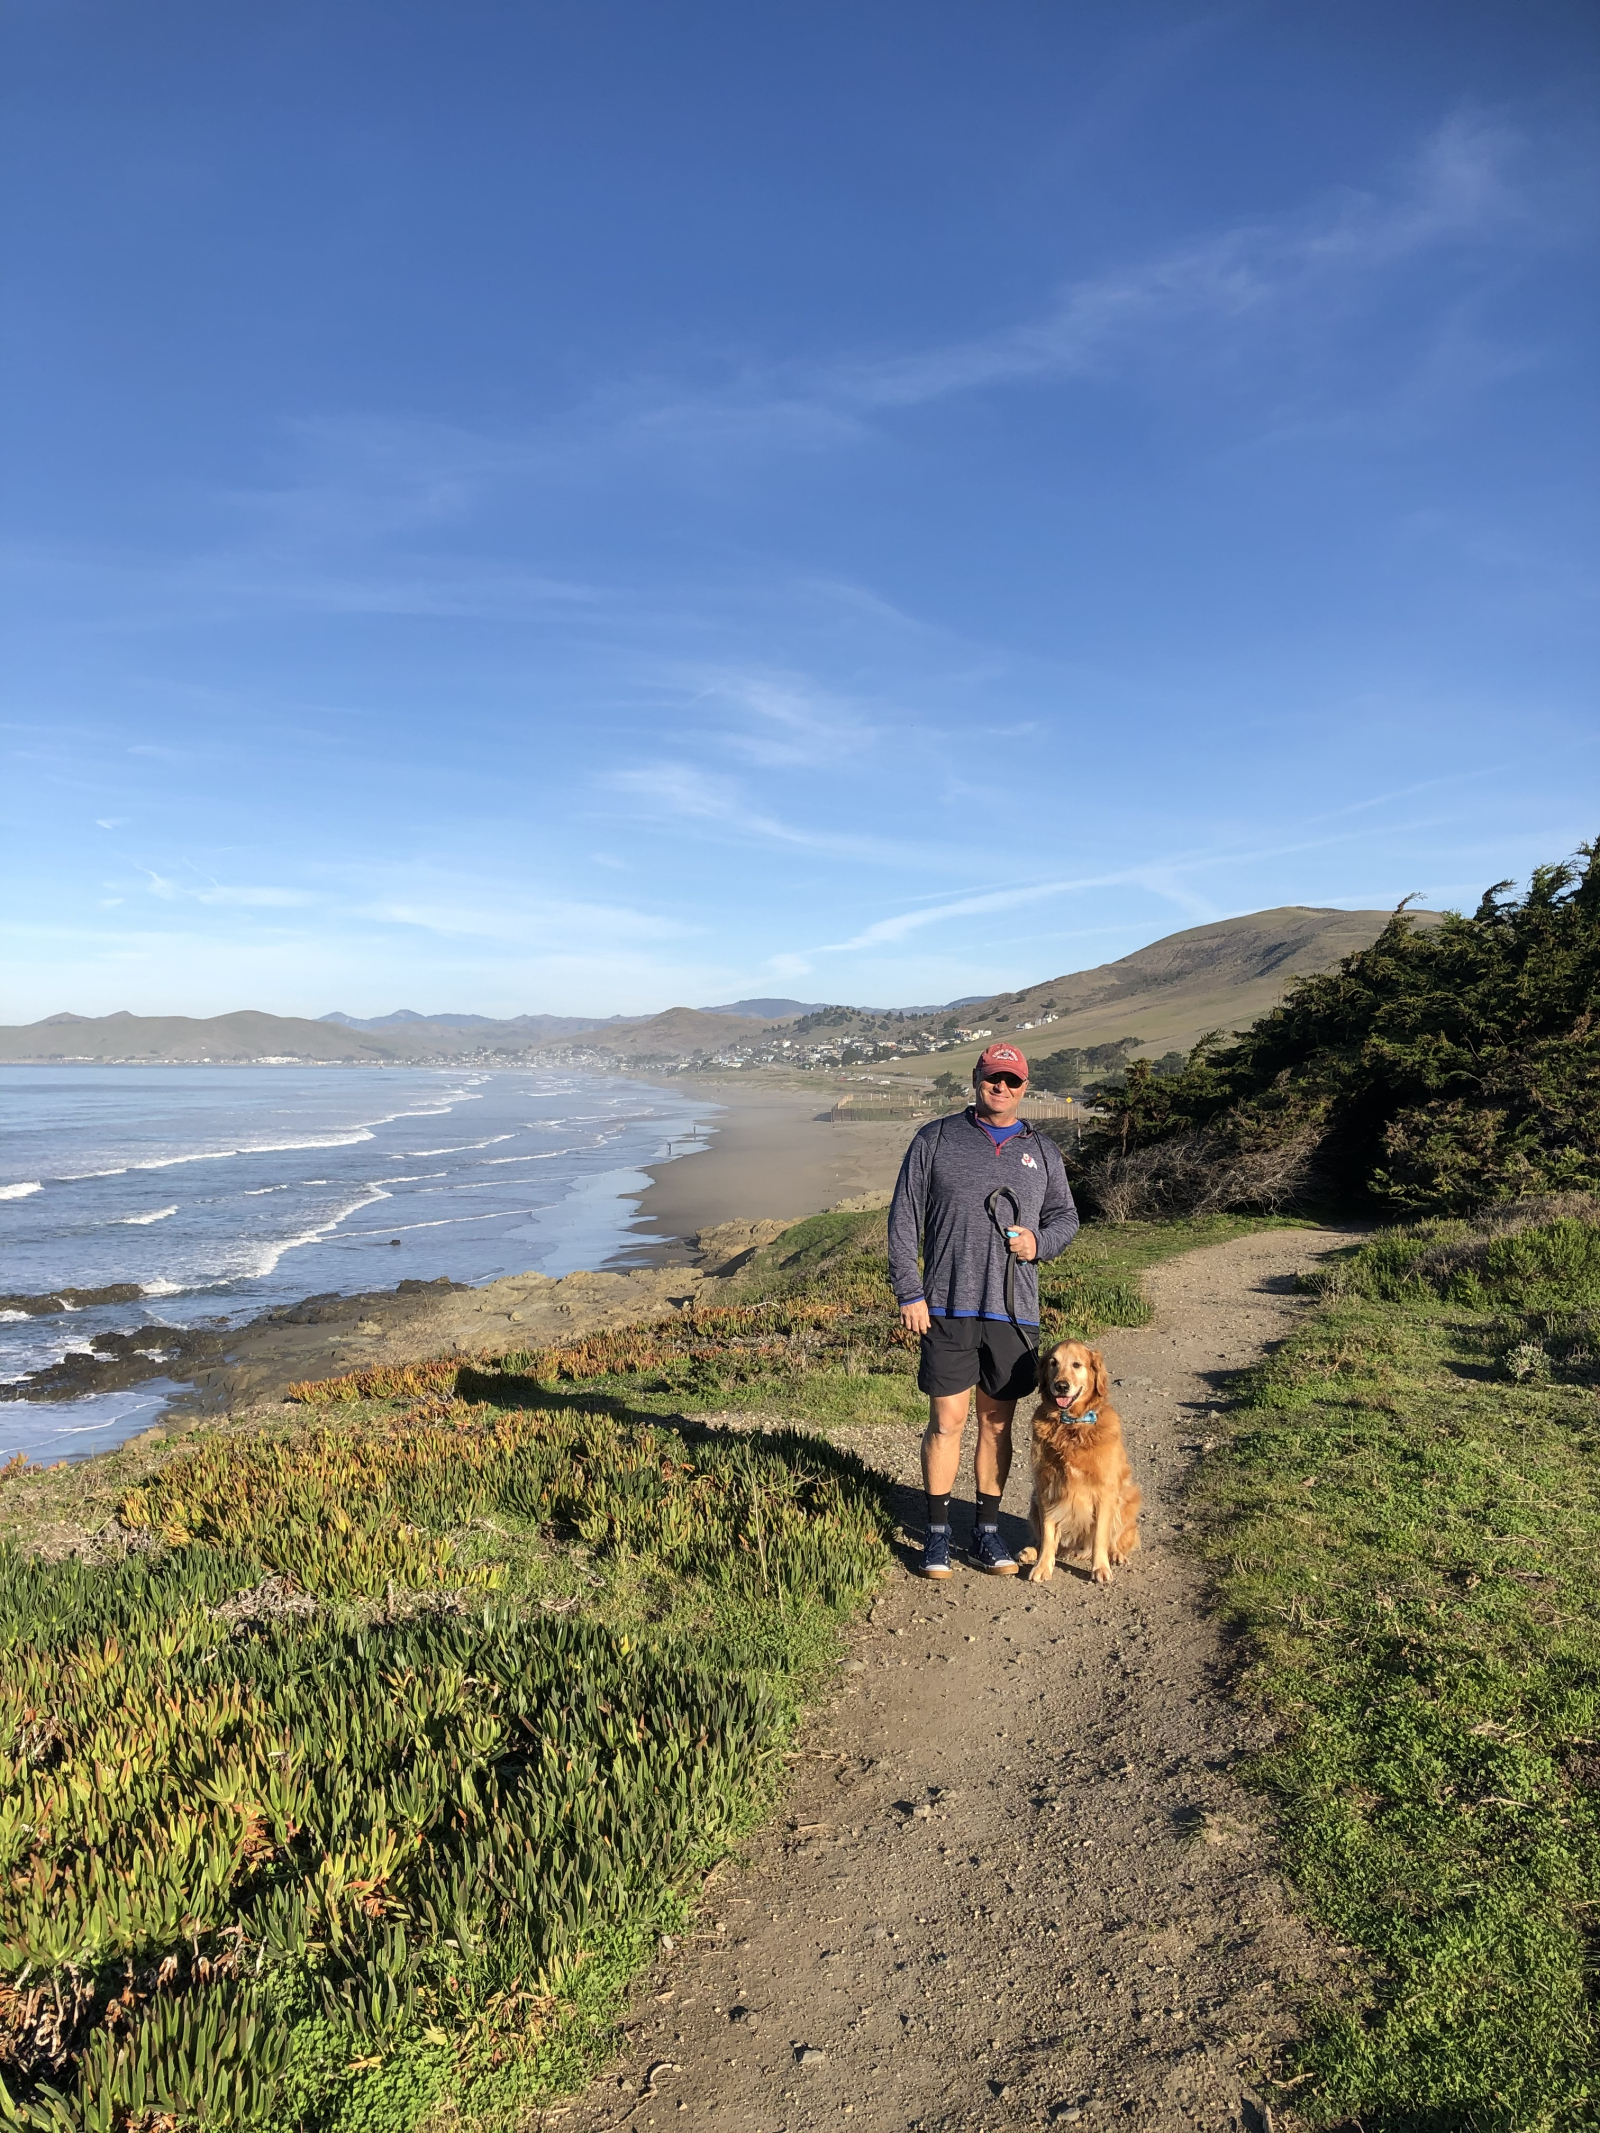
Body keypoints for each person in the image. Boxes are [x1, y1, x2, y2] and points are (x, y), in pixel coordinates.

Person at [887, 1043, 1080, 1577]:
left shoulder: (1043, 1152)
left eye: (1012, 1081)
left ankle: (988, 1532)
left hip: (1013, 1312)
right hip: (946, 1305)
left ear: (1025, 1087)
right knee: (947, 1422)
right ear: (976, 1078)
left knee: (998, 1426)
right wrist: (909, 1291)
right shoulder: (936, 1138)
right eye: (993, 1077)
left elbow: (1067, 1217)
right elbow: (903, 1218)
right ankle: (937, 1533)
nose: (1001, 1088)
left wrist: (1039, 1243)